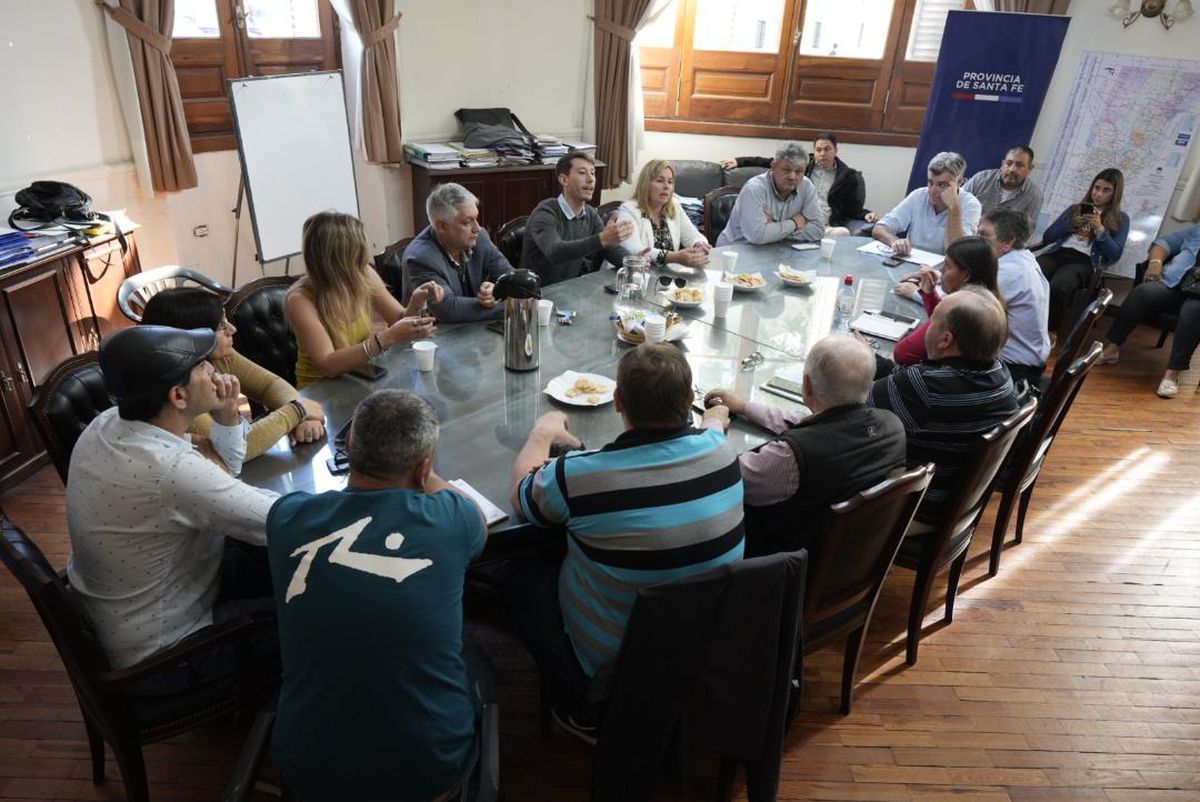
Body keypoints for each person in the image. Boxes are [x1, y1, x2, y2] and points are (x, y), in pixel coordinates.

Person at [502, 344, 744, 735]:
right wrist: (718, 414)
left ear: (617, 402)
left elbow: (521, 493)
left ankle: (577, 700)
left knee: (519, 571)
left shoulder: (578, 477)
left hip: (614, 668)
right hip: (701, 644)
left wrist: (541, 432)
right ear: (688, 399)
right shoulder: (721, 451)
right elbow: (714, 430)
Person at [267, 389, 488, 802]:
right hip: (426, 767)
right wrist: (427, 475)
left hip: (310, 767)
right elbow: (476, 518)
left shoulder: (287, 517)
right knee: (479, 657)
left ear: (349, 445)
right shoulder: (452, 520)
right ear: (423, 467)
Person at [66, 326, 279, 673]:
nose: (214, 369)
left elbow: (226, 473)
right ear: (178, 396)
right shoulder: (170, 470)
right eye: (201, 365)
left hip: (138, 613)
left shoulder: (108, 424)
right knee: (319, 606)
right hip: (167, 656)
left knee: (286, 568)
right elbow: (278, 519)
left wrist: (226, 416)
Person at [702, 335, 905, 556]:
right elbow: (812, 424)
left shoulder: (789, 458)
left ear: (807, 384)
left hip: (782, 568)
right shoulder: (892, 426)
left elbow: (721, 474)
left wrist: (712, 424)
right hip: (852, 558)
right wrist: (745, 406)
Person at [869, 288, 1019, 530]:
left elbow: (851, 406)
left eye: (932, 320)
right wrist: (875, 362)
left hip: (912, 510)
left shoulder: (923, 388)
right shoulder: (1000, 374)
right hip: (953, 505)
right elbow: (906, 383)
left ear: (946, 339)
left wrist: (855, 362)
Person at [140, 287, 326, 459]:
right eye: (221, 326)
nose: (232, 329)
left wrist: (305, 418)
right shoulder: (178, 393)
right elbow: (233, 450)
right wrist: (297, 410)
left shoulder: (216, 357)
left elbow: (269, 385)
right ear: (192, 337)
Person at [287, 211, 441, 388]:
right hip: (318, 392)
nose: (364, 260)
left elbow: (399, 319)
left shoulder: (363, 273)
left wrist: (416, 301)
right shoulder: (300, 300)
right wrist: (386, 338)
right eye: (358, 254)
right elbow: (328, 364)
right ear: (340, 260)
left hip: (358, 379)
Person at [1099, 221, 1200, 398]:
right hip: (1173, 284)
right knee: (1142, 293)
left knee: (1193, 312)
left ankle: (1172, 374)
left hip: (1197, 298)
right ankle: (1112, 349)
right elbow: (1164, 242)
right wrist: (1155, 262)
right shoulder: (1197, 229)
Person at [1031, 168, 1129, 333]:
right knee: (1031, 274)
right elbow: (1048, 237)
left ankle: (1050, 331)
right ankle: (1020, 320)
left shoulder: (1121, 219)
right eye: (1096, 188)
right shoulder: (1074, 209)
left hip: (1083, 261)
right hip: (1058, 254)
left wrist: (1100, 230)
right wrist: (1071, 224)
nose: (1098, 194)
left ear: (1115, 194)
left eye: (1106, 190)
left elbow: (1114, 254)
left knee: (1059, 286)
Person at [721, 132, 877, 235]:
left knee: (842, 233)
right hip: (795, 220)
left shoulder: (849, 176)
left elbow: (852, 209)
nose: (793, 176)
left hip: (822, 225)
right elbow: (767, 161)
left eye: (827, 149)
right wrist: (739, 161)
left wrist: (865, 214)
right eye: (819, 149)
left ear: (836, 150)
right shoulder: (802, 163)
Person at [402, 182, 513, 323]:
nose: (477, 228)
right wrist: (509, 305)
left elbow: (511, 278)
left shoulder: (480, 238)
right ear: (442, 226)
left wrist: (496, 290)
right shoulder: (420, 258)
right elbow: (449, 310)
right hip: (437, 338)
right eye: (467, 222)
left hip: (474, 331)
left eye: (476, 219)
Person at [521, 150, 632, 286]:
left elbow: (609, 248)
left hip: (568, 291)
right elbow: (555, 252)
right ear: (564, 180)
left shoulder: (590, 214)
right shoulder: (545, 212)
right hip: (536, 295)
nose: (590, 179)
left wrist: (633, 262)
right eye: (582, 172)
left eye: (592, 173)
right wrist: (602, 238)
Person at [890, 237, 1004, 367]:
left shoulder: (965, 308)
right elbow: (948, 321)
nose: (941, 272)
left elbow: (903, 353)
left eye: (948, 266)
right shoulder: (991, 303)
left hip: (935, 380)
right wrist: (929, 295)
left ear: (966, 275)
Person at [978, 209, 1052, 386]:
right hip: (1025, 362)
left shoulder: (1010, 272)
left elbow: (962, 306)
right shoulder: (1022, 259)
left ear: (1007, 242)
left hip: (1013, 372)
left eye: (984, 235)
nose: (976, 240)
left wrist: (917, 292)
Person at [872, 152, 982, 257]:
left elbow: (958, 252)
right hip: (912, 263)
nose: (933, 190)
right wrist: (894, 241)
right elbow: (879, 228)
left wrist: (954, 208)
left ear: (959, 183)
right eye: (930, 182)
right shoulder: (919, 195)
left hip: (946, 269)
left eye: (941, 184)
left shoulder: (971, 205)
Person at [716, 142, 825, 246]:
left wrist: (774, 231)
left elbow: (818, 229)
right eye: (786, 170)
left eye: (799, 171)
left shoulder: (806, 186)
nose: (792, 176)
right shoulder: (754, 189)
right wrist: (794, 223)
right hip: (736, 250)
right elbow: (757, 236)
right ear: (773, 166)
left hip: (774, 250)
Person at [613, 159, 711, 268]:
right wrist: (675, 257)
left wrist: (700, 245)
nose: (666, 186)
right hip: (630, 276)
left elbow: (693, 236)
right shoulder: (628, 210)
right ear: (646, 184)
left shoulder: (674, 206)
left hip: (665, 278)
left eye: (670, 182)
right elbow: (636, 251)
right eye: (660, 181)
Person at [962, 146, 1044, 226]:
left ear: (1030, 169)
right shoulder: (981, 179)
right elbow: (956, 203)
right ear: (1002, 164)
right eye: (1008, 163)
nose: (1012, 169)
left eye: (1019, 165)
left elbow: (1026, 231)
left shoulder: (1034, 196)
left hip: (1002, 239)